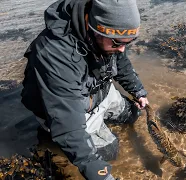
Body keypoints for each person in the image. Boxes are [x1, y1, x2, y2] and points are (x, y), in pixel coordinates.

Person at [20, 0, 149, 179]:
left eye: (129, 42)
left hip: (98, 89)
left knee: (134, 114)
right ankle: (48, 138)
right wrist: (99, 173)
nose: (122, 48)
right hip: (69, 106)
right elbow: (68, 124)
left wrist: (138, 91)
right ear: (94, 28)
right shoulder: (54, 53)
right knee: (109, 153)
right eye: (117, 43)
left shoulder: (112, 38)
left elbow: (120, 60)